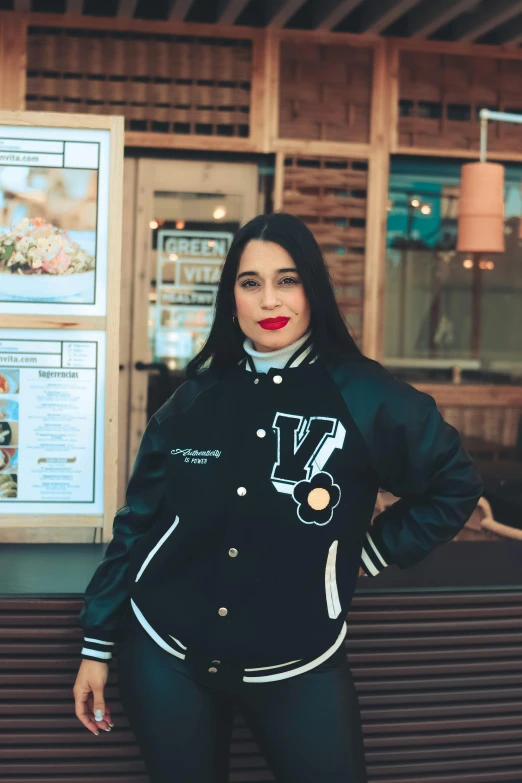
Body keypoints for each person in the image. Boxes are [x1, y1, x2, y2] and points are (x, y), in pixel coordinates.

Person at [73, 212, 483, 783]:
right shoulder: (193, 398)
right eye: (250, 282)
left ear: (313, 288)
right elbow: (139, 524)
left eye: (287, 280)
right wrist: (97, 644)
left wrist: (367, 553)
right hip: (166, 656)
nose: (270, 300)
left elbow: (454, 484)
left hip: (301, 663)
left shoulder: (368, 396)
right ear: (231, 297)